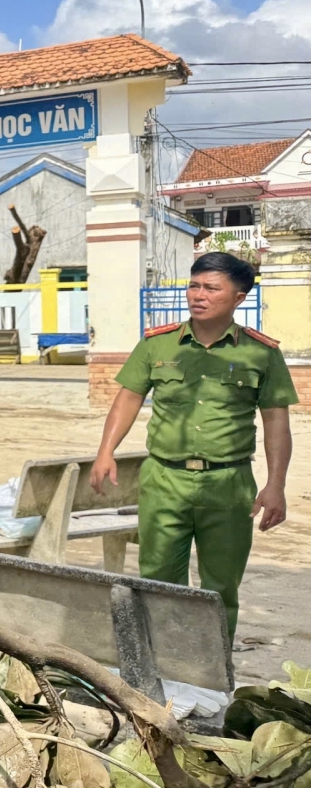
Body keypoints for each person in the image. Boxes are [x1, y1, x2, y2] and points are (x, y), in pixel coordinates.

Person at [90, 252, 297, 642]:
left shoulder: (260, 353)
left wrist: (276, 484)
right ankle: (163, 666)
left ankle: (213, 674)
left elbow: (275, 420)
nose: (198, 295)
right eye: (194, 285)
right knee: (159, 578)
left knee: (221, 585)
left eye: (211, 288)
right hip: (165, 478)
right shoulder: (159, 344)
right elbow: (129, 397)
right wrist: (106, 451)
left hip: (229, 484)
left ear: (239, 297)